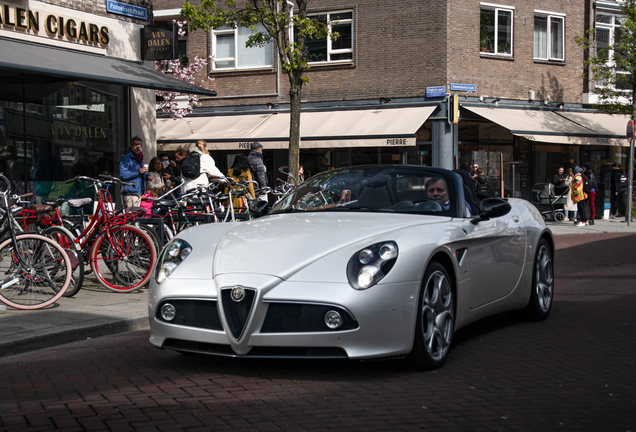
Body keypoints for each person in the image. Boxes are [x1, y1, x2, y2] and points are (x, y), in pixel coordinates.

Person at [119, 135, 148, 208]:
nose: (138, 146)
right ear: (131, 146)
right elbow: (123, 175)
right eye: (135, 144)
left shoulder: (140, 158)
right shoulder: (126, 158)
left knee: (136, 215)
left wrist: (147, 177)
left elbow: (139, 175)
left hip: (138, 192)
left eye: (139, 144)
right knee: (131, 215)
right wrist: (138, 172)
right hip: (130, 192)